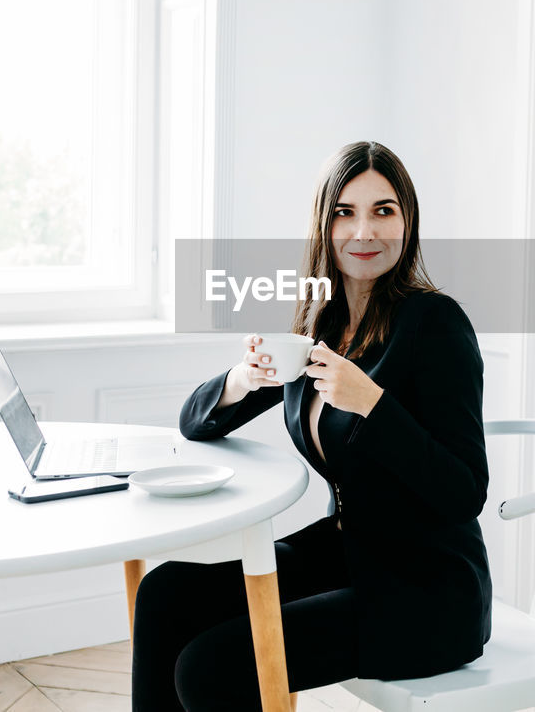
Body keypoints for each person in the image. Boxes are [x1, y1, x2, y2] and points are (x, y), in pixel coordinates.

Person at [131, 141, 492, 711]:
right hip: (347, 553)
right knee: (164, 593)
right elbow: (196, 422)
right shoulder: (318, 323)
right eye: (344, 213)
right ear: (323, 226)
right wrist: (244, 378)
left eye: (383, 210)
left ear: (408, 220)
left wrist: (374, 403)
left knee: (210, 667)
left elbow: (465, 491)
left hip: (426, 590)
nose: (364, 232)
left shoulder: (435, 323)